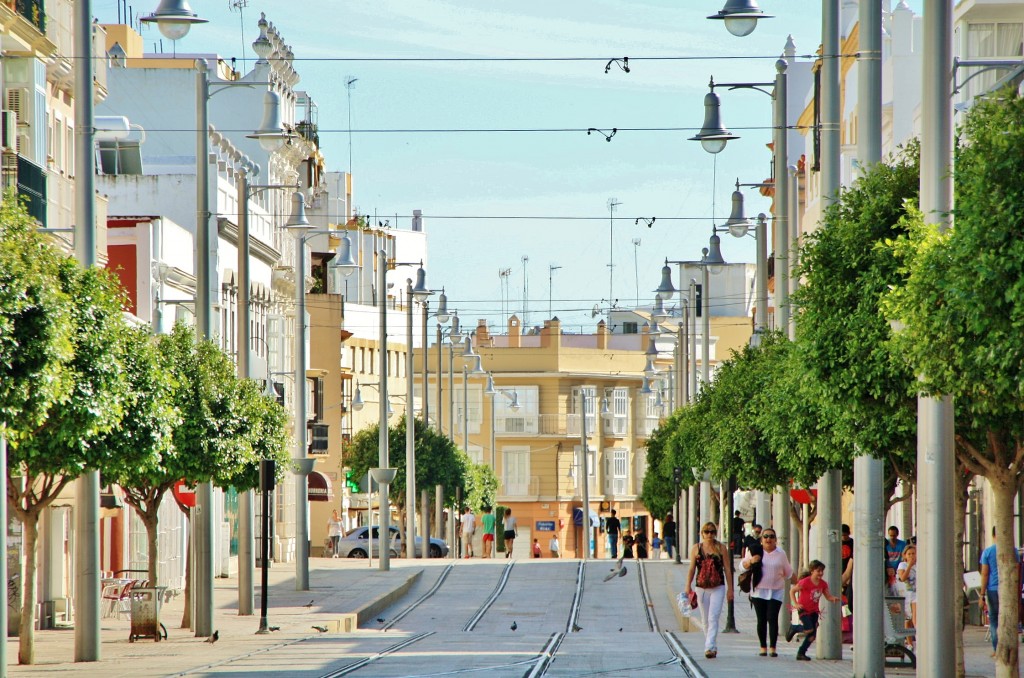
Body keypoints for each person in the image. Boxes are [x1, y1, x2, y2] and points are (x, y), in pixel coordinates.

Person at [741, 527, 794, 657]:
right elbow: (742, 566)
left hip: (776, 591)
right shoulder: (754, 551)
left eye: (771, 536)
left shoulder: (781, 553)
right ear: (761, 539)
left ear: (775, 540)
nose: (768, 539)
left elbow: (788, 572)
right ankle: (763, 647)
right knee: (762, 619)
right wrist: (751, 561)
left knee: (772, 617)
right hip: (759, 591)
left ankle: (773, 648)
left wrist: (801, 583)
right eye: (765, 536)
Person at [685, 521, 733, 660]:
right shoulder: (696, 548)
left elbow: (727, 569)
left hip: (718, 587)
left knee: (713, 617)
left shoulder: (721, 548)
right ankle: (711, 645)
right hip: (701, 587)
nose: (709, 534)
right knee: (705, 619)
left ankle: (709, 647)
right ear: (702, 533)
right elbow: (692, 568)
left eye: (712, 532)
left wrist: (730, 589)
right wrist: (687, 585)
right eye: (706, 532)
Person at [786, 560, 840, 661]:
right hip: (803, 609)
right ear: (812, 571)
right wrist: (795, 604)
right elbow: (792, 591)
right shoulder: (805, 582)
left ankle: (801, 653)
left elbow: (827, 596)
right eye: (818, 571)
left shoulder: (823, 584)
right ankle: (795, 628)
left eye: (822, 571)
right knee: (809, 629)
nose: (820, 573)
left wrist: (833, 598)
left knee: (812, 636)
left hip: (814, 611)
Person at [980, 526, 1019, 654]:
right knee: (1008, 619)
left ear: (993, 536)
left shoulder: (987, 552)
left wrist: (982, 594)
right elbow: (1017, 571)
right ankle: (1008, 649)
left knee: (994, 619)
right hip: (1009, 589)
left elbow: (985, 574)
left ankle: (997, 649)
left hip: (992, 590)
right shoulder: (1013, 551)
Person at [897, 543, 917, 643]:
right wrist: (909, 565)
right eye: (909, 554)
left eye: (913, 553)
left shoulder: (919, 565)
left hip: (916, 594)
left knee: (916, 618)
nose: (911, 556)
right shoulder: (902, 565)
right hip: (906, 594)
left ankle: (918, 639)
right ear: (905, 555)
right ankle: (909, 643)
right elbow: (903, 578)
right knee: (908, 619)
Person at [840, 523, 854, 604]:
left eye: (845, 535)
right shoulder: (837, 543)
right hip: (841, 572)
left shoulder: (853, 543)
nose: (843, 537)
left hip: (849, 573)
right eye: (842, 535)